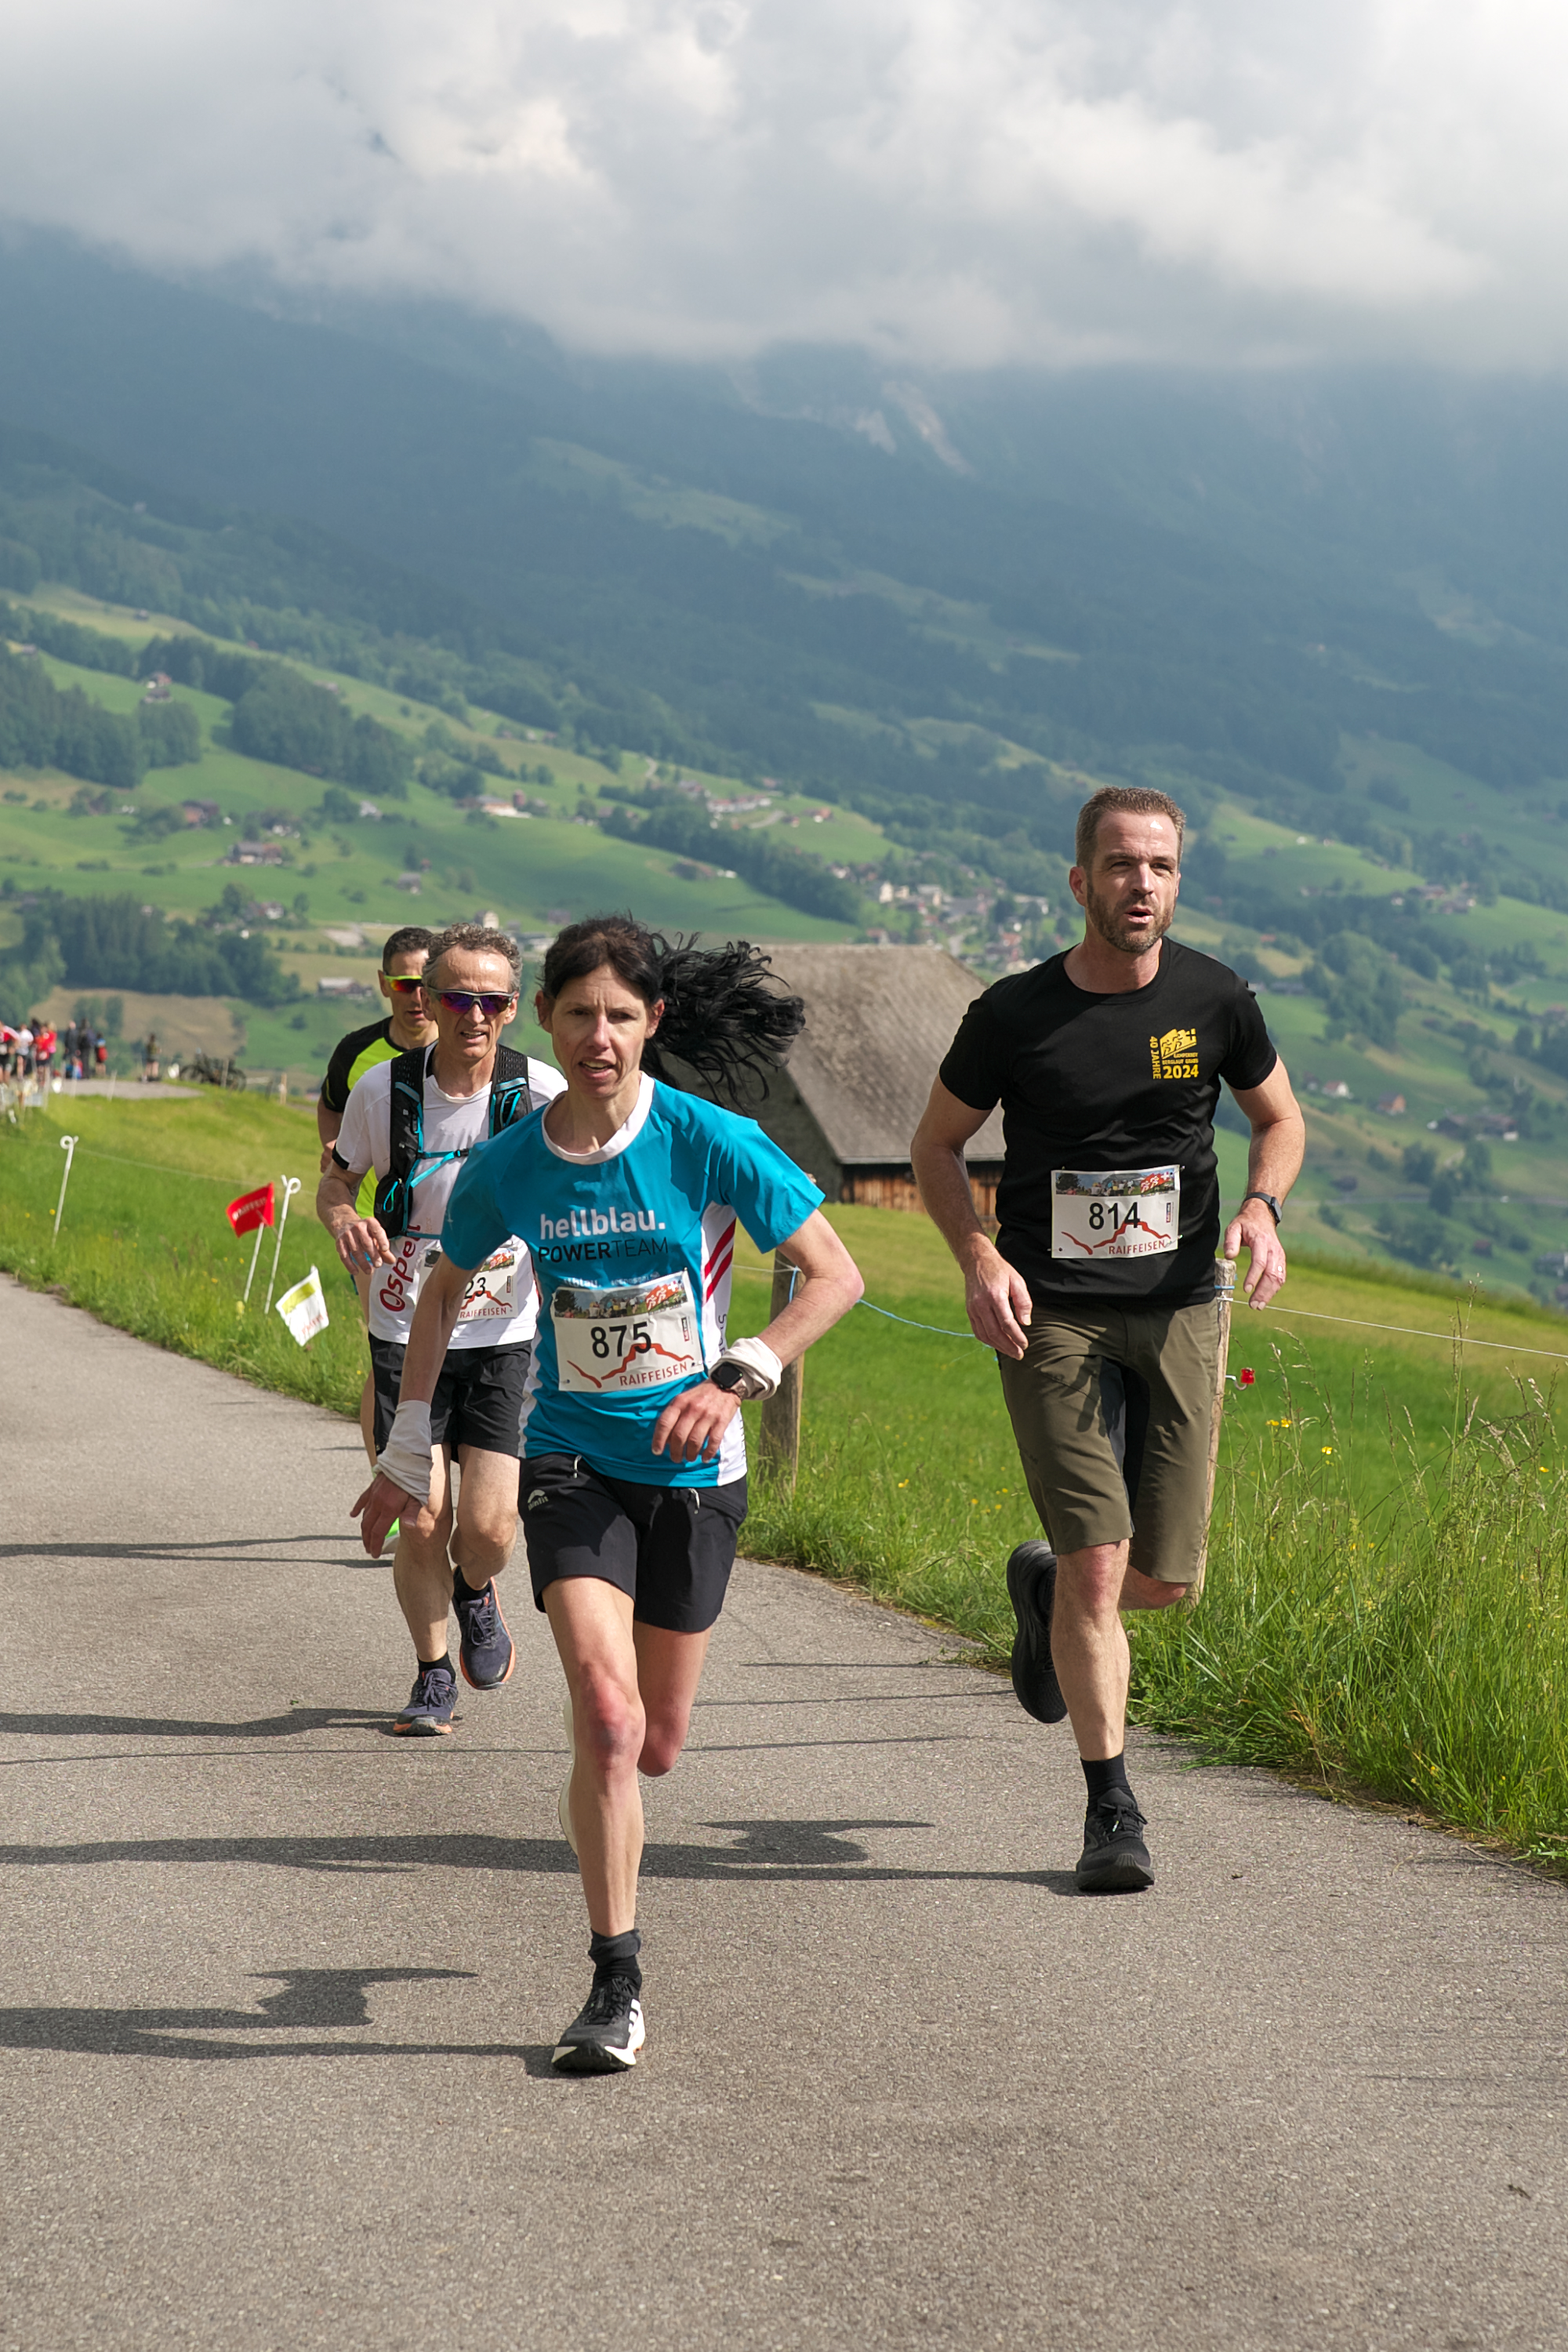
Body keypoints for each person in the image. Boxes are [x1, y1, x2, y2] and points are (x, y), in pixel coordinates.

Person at [356, 914, 864, 2074]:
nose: (599, 1036)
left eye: (621, 1016)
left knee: (658, 1744)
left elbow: (835, 1275)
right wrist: (407, 1445)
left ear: (652, 1023)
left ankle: (608, 1810)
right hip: (570, 1459)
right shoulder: (511, 1164)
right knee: (606, 1714)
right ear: (546, 1019)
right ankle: (613, 1979)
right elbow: (440, 1292)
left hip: (693, 1474)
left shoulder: (708, 1141)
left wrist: (740, 1374)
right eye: (579, 1013)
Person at [911, 786, 1303, 1895]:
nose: (1142, 885)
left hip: (1180, 1305)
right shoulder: (1012, 1014)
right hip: (1053, 1313)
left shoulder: (1216, 999)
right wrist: (978, 1257)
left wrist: (1262, 1207)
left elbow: (1279, 1118)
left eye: (1161, 867)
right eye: (1123, 865)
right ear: (1080, 881)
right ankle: (1111, 1807)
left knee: (1163, 1581)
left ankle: (1043, 1597)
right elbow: (935, 1146)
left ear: (1178, 881)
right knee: (1099, 1564)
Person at [317, 923, 564, 1734]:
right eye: (456, 998)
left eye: (490, 1001)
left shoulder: (541, 1095)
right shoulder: (380, 1091)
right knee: (423, 1516)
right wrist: (345, 1219)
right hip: (401, 1329)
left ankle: (475, 1588)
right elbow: (335, 1185)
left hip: (502, 1337)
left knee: (488, 1530)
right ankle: (431, 1673)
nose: (473, 1015)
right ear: (428, 999)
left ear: (513, 1007)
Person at [317, 925, 439, 1463]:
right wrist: (331, 1146)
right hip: (375, 1232)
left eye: (425, 983)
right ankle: (385, 1472)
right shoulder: (356, 1052)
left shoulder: (464, 1048)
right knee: (390, 1353)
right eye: (404, 983)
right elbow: (330, 1106)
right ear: (384, 984)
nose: (415, 996)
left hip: (446, 1233)